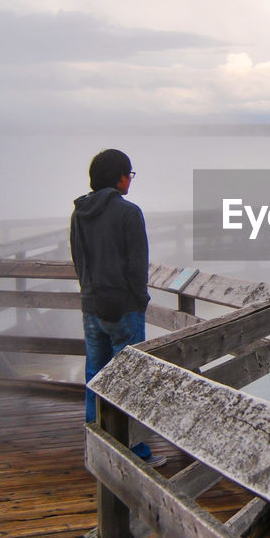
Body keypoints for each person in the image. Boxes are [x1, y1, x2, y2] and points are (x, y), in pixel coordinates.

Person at [70, 148, 166, 467]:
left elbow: (79, 260)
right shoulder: (129, 213)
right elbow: (137, 266)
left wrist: (88, 293)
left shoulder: (79, 213)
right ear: (120, 178)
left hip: (92, 306)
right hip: (124, 309)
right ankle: (136, 453)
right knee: (130, 380)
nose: (130, 181)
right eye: (129, 175)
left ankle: (94, 444)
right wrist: (139, 301)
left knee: (95, 375)